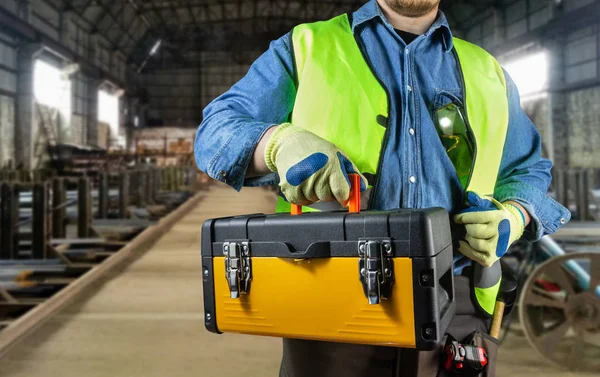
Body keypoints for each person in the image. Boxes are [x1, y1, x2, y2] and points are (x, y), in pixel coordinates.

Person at [194, 0, 571, 375]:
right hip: (329, 299)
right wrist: (276, 143)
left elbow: (527, 171)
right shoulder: (306, 47)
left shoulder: (488, 71)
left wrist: (515, 216)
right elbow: (215, 133)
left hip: (457, 306)